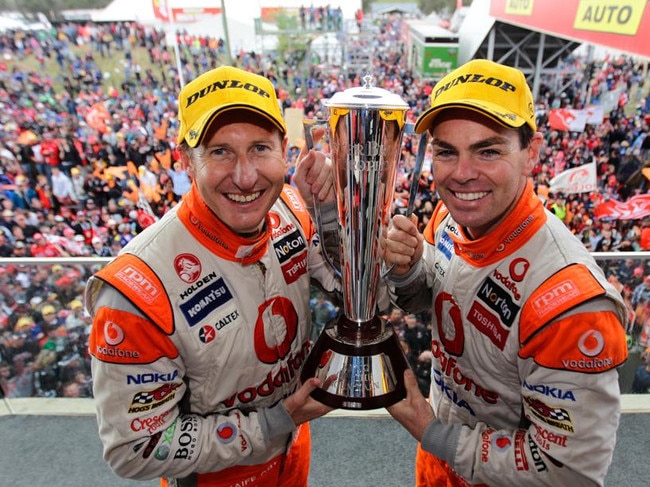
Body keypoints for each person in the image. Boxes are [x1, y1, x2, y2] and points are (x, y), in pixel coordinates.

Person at [84, 66, 340, 486]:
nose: (245, 176)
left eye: (260, 148)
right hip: (216, 475)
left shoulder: (294, 210)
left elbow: (363, 296)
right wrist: (276, 421)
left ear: (284, 150)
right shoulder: (135, 292)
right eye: (220, 151)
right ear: (186, 161)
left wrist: (329, 212)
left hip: (293, 447)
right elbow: (135, 451)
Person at [382, 59, 629, 486]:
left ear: (530, 154)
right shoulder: (449, 215)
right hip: (439, 459)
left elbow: (568, 474)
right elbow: (436, 292)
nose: (461, 174)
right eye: (446, 151)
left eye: (488, 150)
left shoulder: (572, 306)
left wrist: (433, 432)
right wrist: (407, 270)